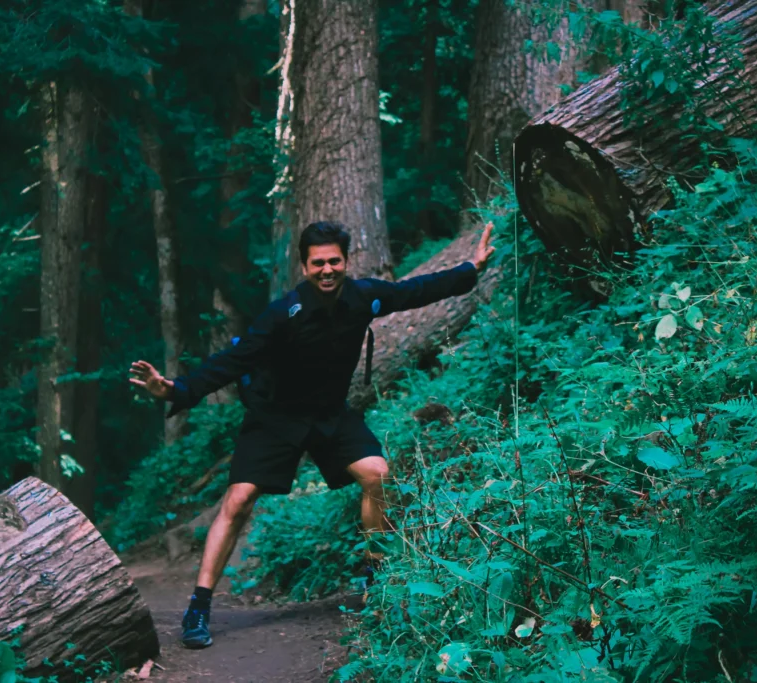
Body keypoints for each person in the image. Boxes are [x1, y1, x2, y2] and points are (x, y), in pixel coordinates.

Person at [129, 220, 495, 649]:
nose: (327, 270)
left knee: (378, 474)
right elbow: (233, 360)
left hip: (328, 415)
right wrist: (177, 389)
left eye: (334, 261)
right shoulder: (283, 314)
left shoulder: (364, 297)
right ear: (304, 267)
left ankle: (377, 578)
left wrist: (470, 269)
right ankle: (199, 606)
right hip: (274, 416)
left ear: (346, 262)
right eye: (318, 263)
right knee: (239, 499)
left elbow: (415, 291)